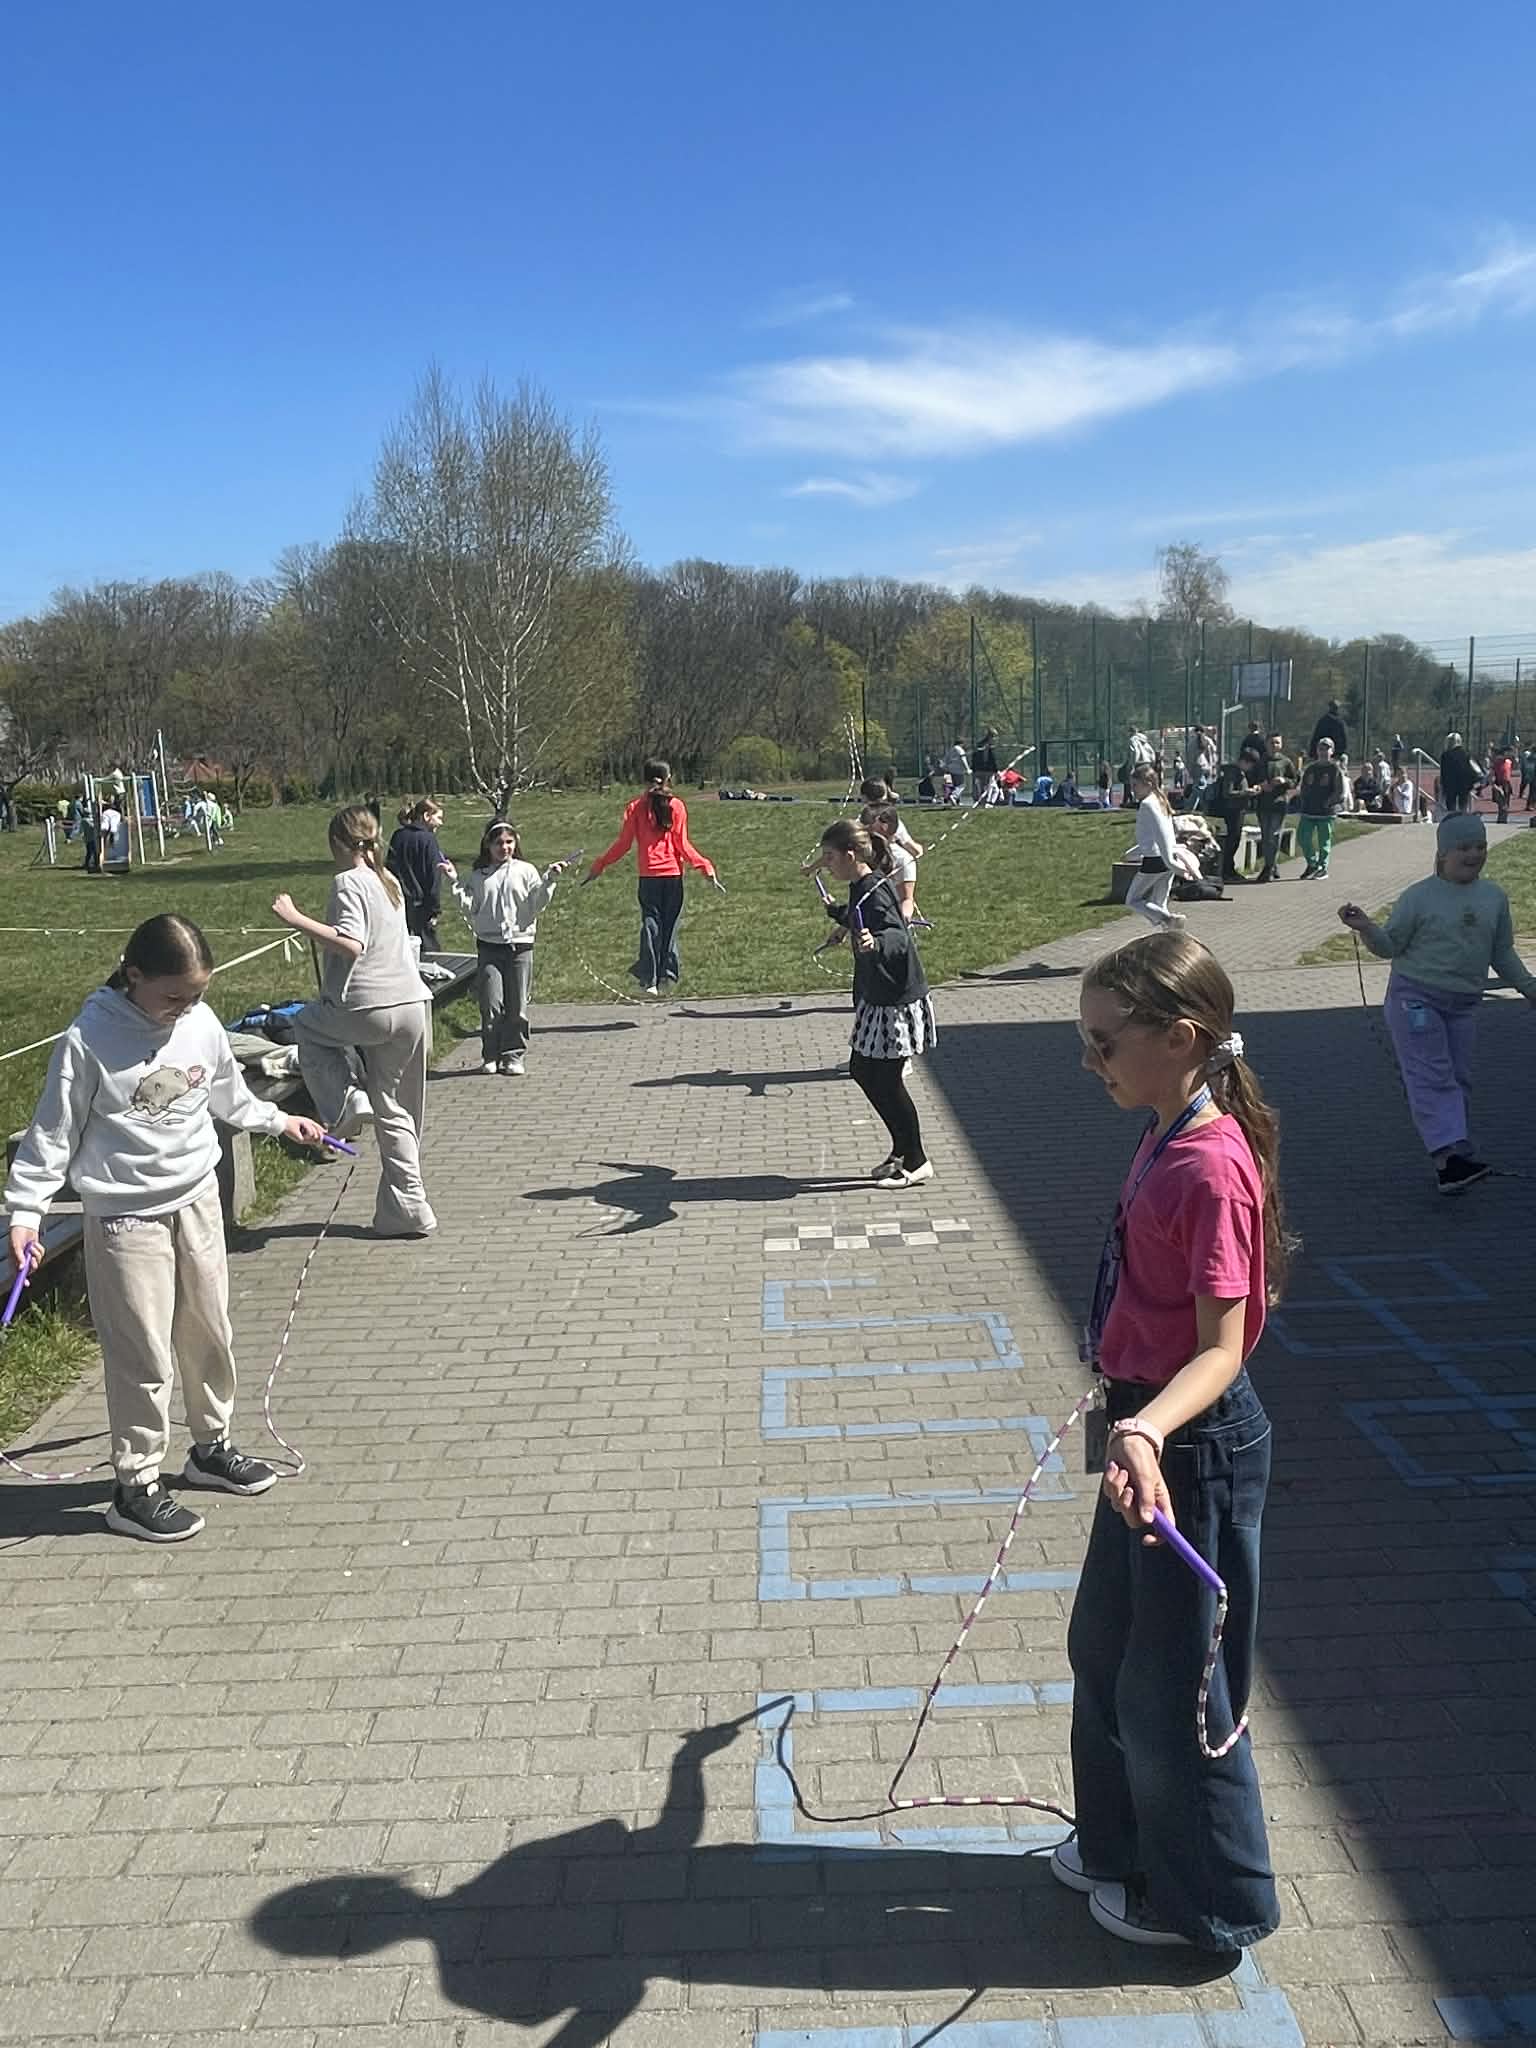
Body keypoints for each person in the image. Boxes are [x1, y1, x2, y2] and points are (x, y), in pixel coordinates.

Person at [1060, 929, 1282, 1952]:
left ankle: (1207, 1905)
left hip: (1190, 1444)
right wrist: (1126, 1419)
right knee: (1102, 1649)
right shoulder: (1163, 1119)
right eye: (1087, 1046)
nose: (1092, 1064)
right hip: (1143, 1429)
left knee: (1176, 1688)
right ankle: (1114, 1845)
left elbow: (1225, 1347)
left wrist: (1146, 1426)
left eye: (1106, 1043)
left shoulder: (1209, 1164)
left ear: (1183, 1036)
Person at [3, 915, 326, 1542]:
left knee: (210, 1328)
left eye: (197, 994)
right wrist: (25, 1211)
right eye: (172, 996)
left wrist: (279, 1121)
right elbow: (51, 1134)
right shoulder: (88, 1039)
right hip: (126, 1216)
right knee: (142, 1350)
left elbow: (227, 1096)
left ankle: (210, 1448)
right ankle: (135, 1484)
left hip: (198, 1196)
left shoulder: (199, 1022)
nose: (184, 1008)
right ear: (133, 975)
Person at [1338, 813, 1536, 1191]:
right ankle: (1447, 1161)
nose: (1473, 854)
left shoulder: (1493, 897)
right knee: (1432, 1075)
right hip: (1415, 1001)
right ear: (1443, 853)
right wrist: (1366, 927)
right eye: (1464, 848)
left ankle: (1457, 1153)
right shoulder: (1419, 897)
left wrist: (1528, 987)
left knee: (1458, 1077)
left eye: (1480, 847)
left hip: (1463, 1005)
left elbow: (1503, 953)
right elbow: (1390, 946)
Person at [274, 806, 437, 1238]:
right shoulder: (390, 883)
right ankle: (409, 1207)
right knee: (396, 1107)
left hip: (372, 1005)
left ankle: (345, 1102)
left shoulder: (347, 882)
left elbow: (350, 944)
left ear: (337, 844)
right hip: (413, 1006)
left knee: (308, 1027)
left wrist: (296, 919)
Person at [818, 820, 935, 1188]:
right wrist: (840, 917)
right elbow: (861, 914)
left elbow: (898, 935)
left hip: (896, 999)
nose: (826, 864)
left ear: (850, 855)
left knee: (882, 1078)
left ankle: (915, 1160)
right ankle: (902, 1151)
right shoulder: (860, 886)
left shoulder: (873, 888)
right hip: (878, 996)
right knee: (863, 1070)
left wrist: (876, 944)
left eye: (830, 857)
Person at [582, 759, 715, 996]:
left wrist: (600, 864)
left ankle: (649, 977)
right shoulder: (677, 806)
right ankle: (665, 974)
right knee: (669, 926)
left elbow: (623, 845)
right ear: (669, 779)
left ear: (644, 780)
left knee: (650, 924)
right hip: (673, 876)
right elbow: (683, 845)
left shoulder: (635, 807)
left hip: (649, 877)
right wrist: (704, 866)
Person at [451, 819, 568, 1075]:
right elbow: (470, 906)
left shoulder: (525, 871)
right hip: (489, 947)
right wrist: (453, 882)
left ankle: (513, 1055)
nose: (504, 848)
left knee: (517, 1006)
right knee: (491, 1004)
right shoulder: (479, 875)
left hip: (521, 945)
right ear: (488, 845)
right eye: (498, 843)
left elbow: (537, 903)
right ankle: (490, 1054)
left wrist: (549, 880)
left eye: (509, 842)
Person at [1125, 766, 1187, 931]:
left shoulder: (1148, 804)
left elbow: (1161, 834)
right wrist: (1135, 852)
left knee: (1132, 900)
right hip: (1165, 858)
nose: (1133, 790)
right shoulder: (1160, 801)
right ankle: (1169, 935)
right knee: (1159, 903)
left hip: (1156, 860)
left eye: (1135, 786)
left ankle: (1169, 920)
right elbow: (1156, 836)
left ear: (1148, 784)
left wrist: (1168, 860)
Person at [387, 798, 451, 954]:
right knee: (429, 951)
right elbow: (433, 877)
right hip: (422, 905)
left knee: (401, 949)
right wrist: (434, 909)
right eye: (438, 818)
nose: (440, 823)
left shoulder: (398, 836)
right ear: (427, 816)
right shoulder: (428, 840)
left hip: (399, 901)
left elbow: (389, 869)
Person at [1297, 738, 1345, 880]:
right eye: (1321, 749)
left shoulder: (1334, 769)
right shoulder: (1311, 769)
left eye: (1327, 749)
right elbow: (1304, 787)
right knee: (1302, 837)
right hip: (1309, 810)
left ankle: (1323, 868)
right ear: (1317, 750)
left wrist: (1329, 802)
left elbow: (1339, 791)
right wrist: (1304, 800)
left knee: (1324, 841)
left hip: (1326, 812)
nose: (1323, 752)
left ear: (1332, 751)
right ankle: (1312, 863)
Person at [1253, 735, 1297, 882]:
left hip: (1279, 803)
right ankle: (1271, 864)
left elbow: (1294, 780)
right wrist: (1260, 785)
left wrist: (1284, 780)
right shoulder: (1260, 762)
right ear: (1266, 744)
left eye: (1277, 742)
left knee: (1275, 834)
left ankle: (1269, 868)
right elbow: (1252, 778)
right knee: (1266, 836)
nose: (1274, 745)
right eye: (1271, 742)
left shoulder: (1285, 762)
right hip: (1263, 804)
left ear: (1281, 744)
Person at [869, 806, 917, 921]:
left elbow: (907, 899)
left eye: (871, 823)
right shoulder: (863, 854)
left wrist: (902, 920)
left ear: (883, 827)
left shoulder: (904, 859)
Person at [1211, 758, 1253, 882]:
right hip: (1232, 810)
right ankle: (1227, 870)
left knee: (1236, 840)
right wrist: (1245, 793)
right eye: (1250, 764)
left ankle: (1230, 869)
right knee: (1232, 840)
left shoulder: (1241, 773)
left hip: (1239, 809)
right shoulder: (1232, 773)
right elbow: (1227, 792)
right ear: (1244, 761)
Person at [1438, 732, 1477, 815]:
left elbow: (1444, 773)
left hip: (1451, 785)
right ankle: (1463, 820)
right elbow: (1472, 769)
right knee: (1463, 806)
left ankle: (1452, 820)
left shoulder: (1446, 755)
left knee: (1451, 807)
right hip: (1465, 785)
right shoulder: (1466, 753)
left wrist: (1443, 785)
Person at [970, 728, 1000, 804]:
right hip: (986, 770)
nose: (996, 739)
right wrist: (996, 770)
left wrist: (973, 769)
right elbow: (992, 759)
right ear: (991, 737)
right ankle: (986, 802)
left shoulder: (979, 744)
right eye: (995, 737)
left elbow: (974, 757)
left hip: (978, 769)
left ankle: (985, 802)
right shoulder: (989, 746)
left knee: (986, 787)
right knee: (987, 787)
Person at [76, 787, 101, 874]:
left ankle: (88, 863)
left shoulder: (84, 820)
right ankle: (93, 863)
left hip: (88, 838)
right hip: (91, 838)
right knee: (93, 851)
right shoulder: (86, 821)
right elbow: (92, 827)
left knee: (90, 852)